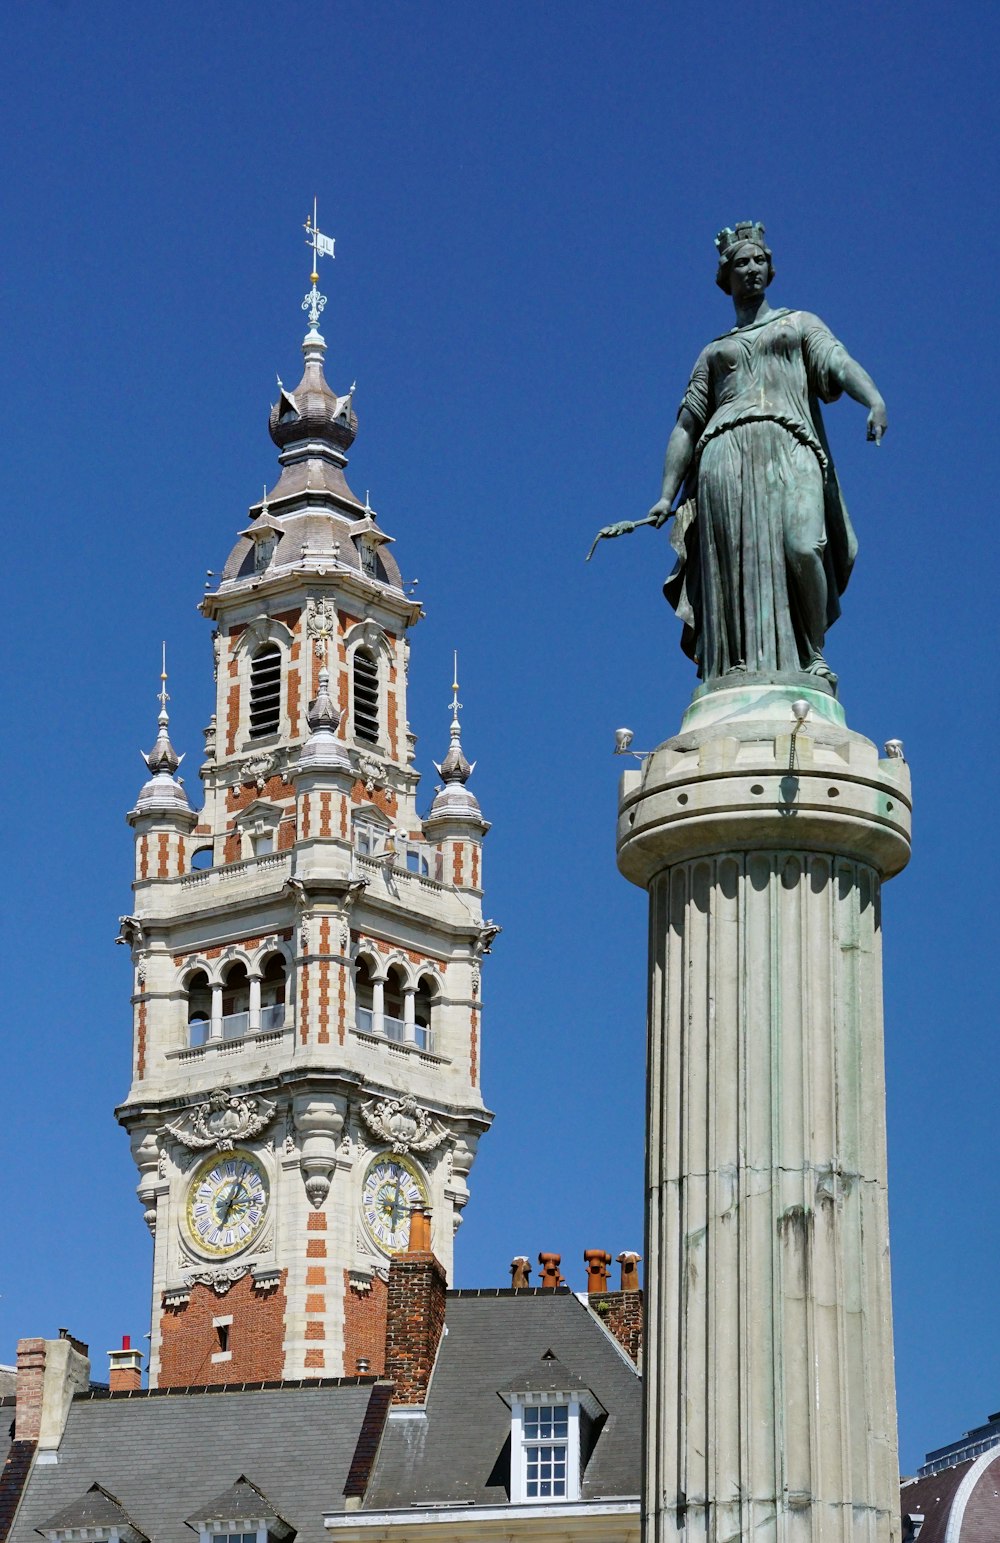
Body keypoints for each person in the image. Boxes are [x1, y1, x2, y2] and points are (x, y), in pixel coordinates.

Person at [591, 223, 887, 687]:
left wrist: (873, 400)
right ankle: (736, 665)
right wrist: (666, 496)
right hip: (725, 457)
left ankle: (812, 652)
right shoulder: (714, 351)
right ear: (725, 277)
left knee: (804, 546)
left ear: (770, 270)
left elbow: (838, 362)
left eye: (759, 261)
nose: (751, 269)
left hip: (791, 445)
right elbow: (687, 424)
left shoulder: (799, 324)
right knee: (735, 570)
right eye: (741, 263)